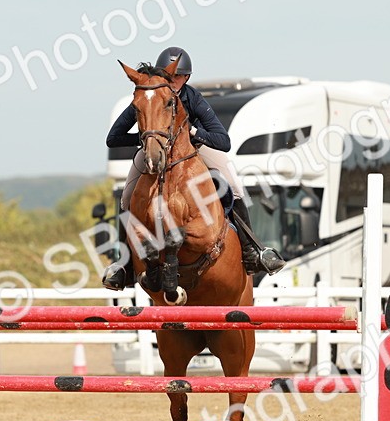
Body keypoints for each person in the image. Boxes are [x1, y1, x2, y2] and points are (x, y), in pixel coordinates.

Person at [101, 47, 285, 290]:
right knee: (126, 198)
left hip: (195, 148)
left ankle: (253, 250)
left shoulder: (192, 97)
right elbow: (113, 138)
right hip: (155, 149)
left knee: (235, 185)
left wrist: (194, 133)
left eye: (177, 77)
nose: (172, 82)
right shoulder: (151, 94)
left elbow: (223, 141)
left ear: (186, 78)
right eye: (169, 77)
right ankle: (123, 265)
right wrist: (148, 137)